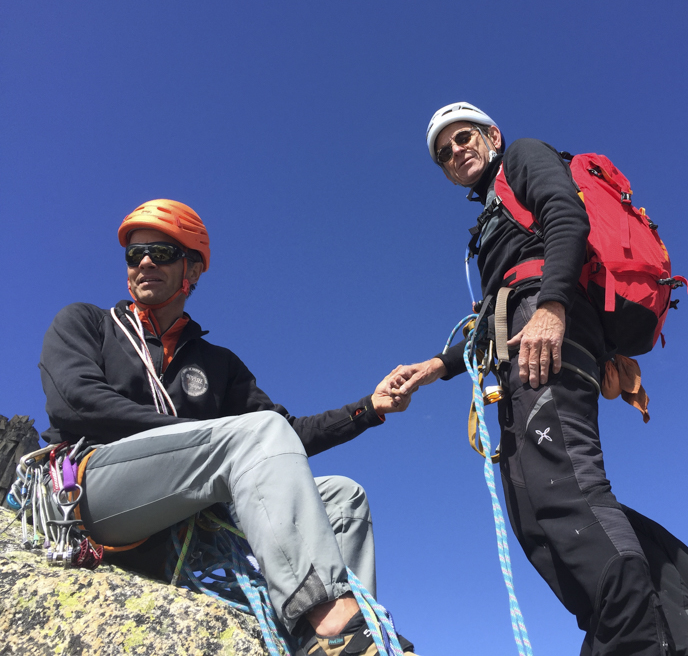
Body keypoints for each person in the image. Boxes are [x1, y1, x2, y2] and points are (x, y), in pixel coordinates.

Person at [388, 103, 688, 656]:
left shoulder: (524, 156)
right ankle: (663, 627)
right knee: (536, 520)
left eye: (463, 138)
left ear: (491, 136)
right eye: (444, 153)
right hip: (519, 343)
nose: (455, 152)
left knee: (566, 496)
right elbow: (493, 321)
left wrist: (552, 306)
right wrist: (437, 366)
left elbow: (566, 215)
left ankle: (635, 641)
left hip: (549, 328)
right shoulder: (490, 218)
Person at [37, 199, 418, 656]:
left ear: (191, 271)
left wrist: (368, 409)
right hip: (93, 492)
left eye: (159, 253)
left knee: (343, 497)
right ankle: (330, 626)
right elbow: (76, 403)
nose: (143, 262)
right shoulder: (88, 323)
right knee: (251, 434)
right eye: (133, 254)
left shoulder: (219, 364)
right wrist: (203, 439)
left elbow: (284, 437)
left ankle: (329, 641)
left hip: (183, 516)